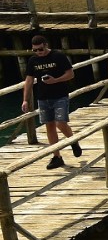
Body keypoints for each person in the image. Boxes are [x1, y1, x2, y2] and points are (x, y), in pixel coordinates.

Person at [21, 35, 81, 169]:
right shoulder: (33, 61)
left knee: (60, 123)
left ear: (46, 45)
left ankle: (73, 141)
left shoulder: (58, 56)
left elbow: (70, 74)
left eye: (40, 49)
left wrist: (55, 80)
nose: (38, 52)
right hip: (43, 97)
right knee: (49, 126)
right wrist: (25, 100)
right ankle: (56, 157)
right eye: (35, 50)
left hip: (60, 96)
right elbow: (29, 80)